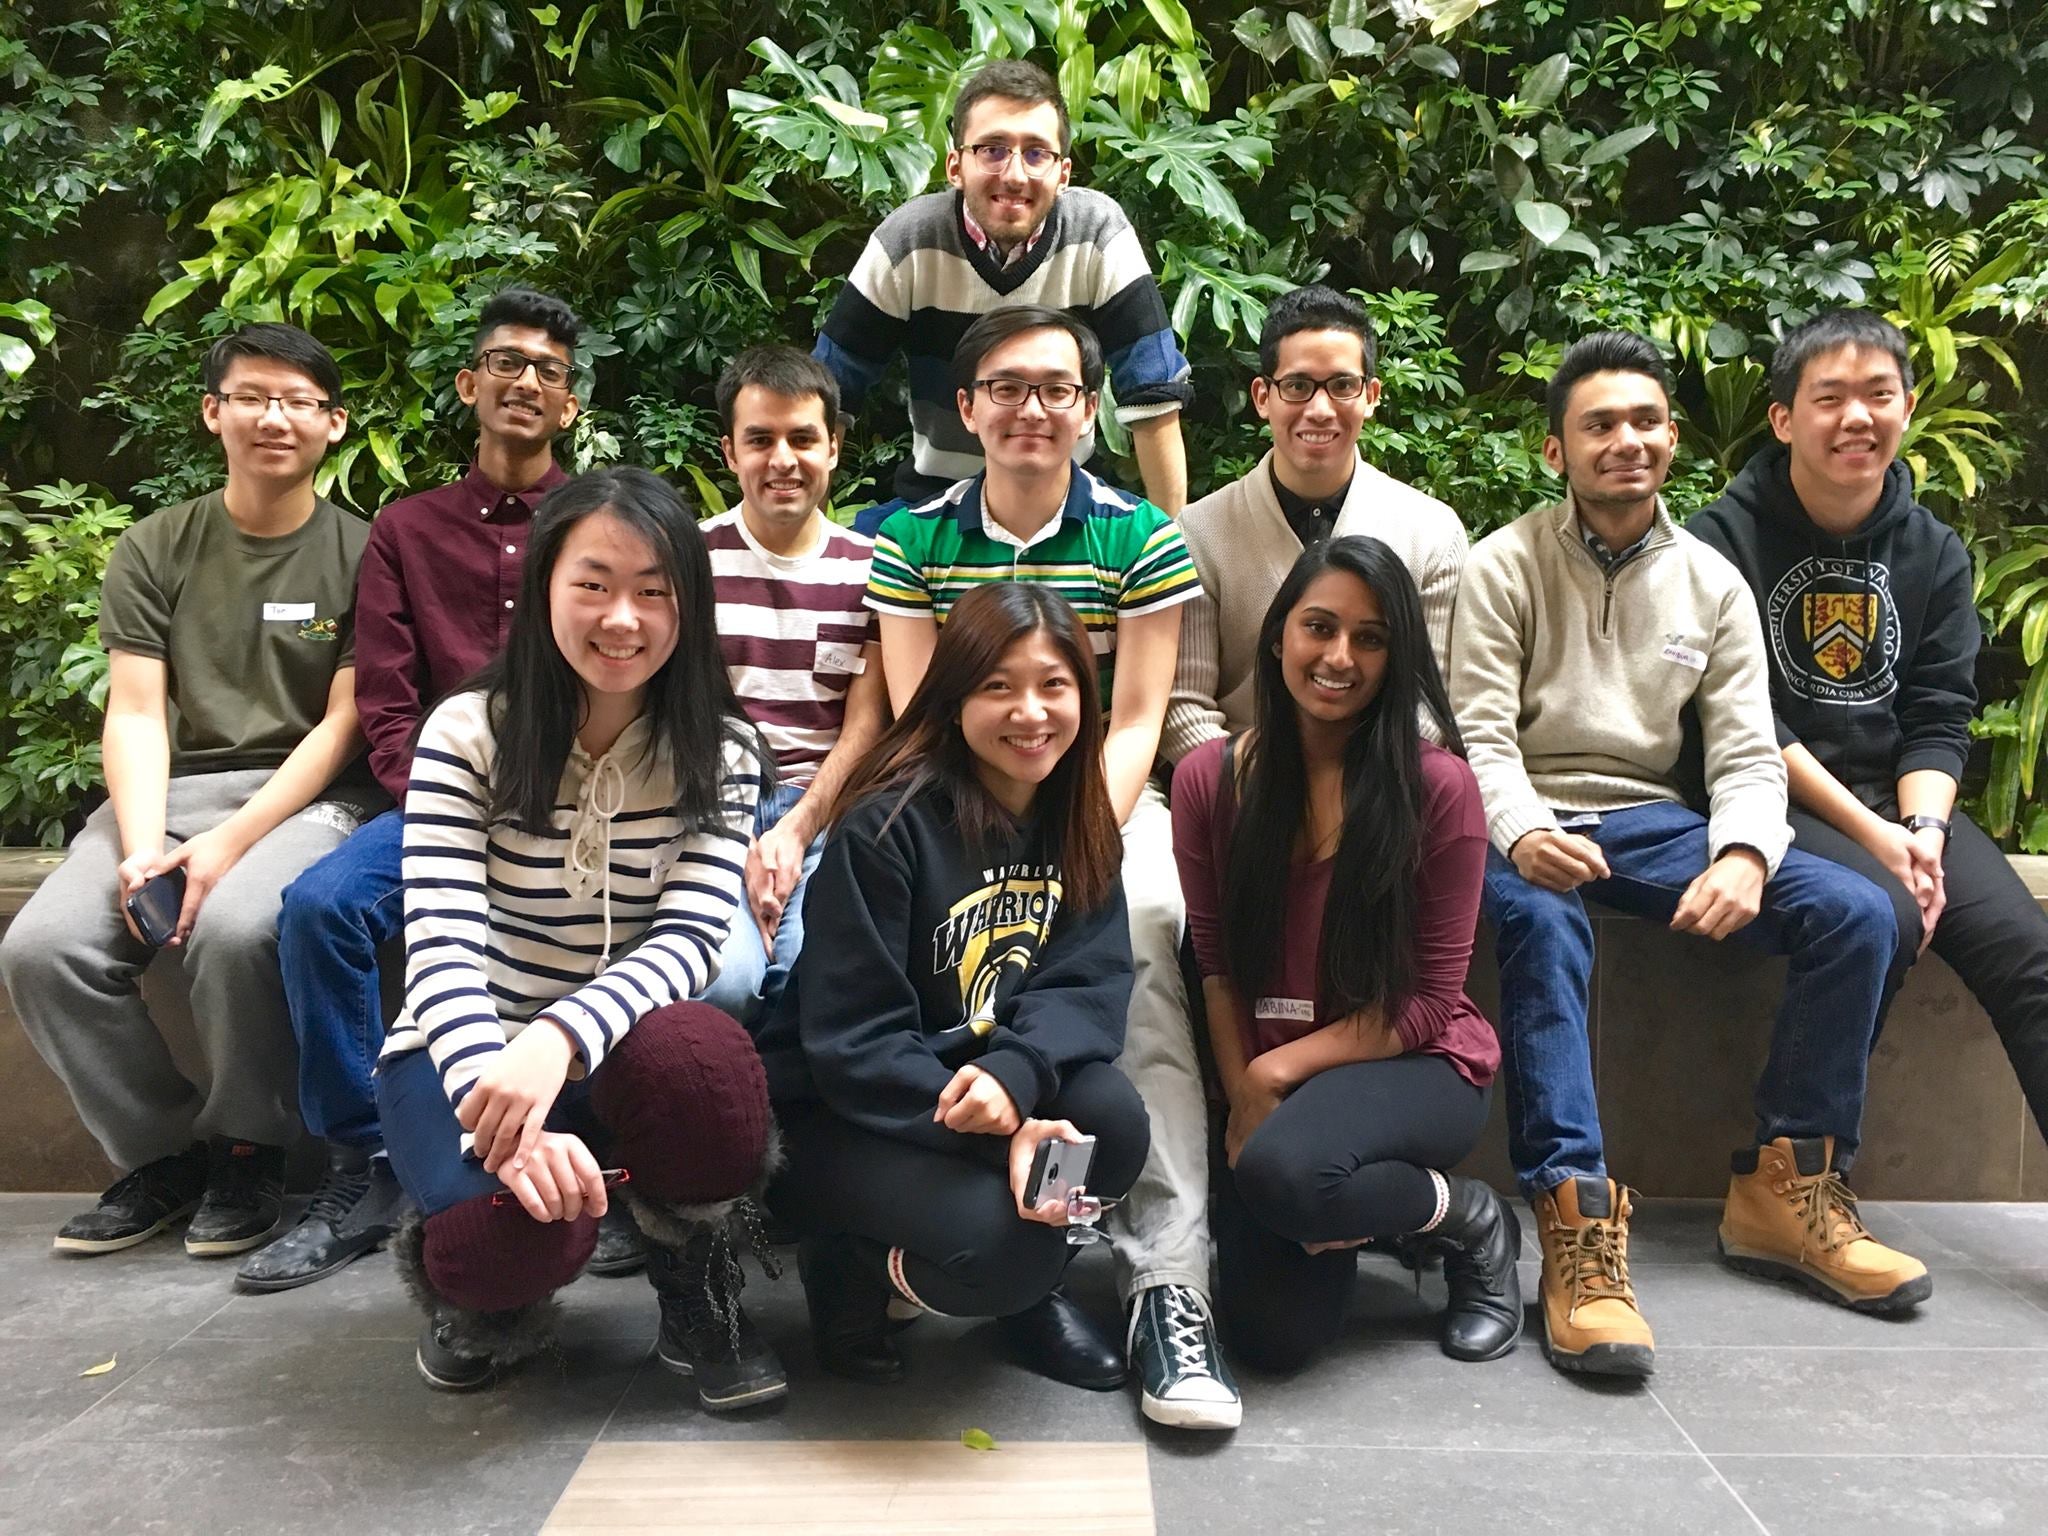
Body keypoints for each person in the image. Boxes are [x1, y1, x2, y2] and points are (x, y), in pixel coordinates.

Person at [1448, 329, 1930, 1381]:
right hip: (1525, 816)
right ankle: (1573, 1228)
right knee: (1534, 917)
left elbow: (1748, 753)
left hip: (1652, 825)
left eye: (1644, 421)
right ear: (1554, 451)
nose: (1626, 441)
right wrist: (1523, 829)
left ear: (1670, 437)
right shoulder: (1502, 565)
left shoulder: (1710, 581)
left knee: (1853, 914)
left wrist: (1747, 855)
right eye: (1598, 425)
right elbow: (1478, 735)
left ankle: (1784, 1188)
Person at [865, 305, 1237, 1429]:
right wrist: (997, 853)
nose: (1032, 409)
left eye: (1057, 390)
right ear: (966, 408)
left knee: (1140, 946)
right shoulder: (912, 542)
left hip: (1098, 809)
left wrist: (1076, 846)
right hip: (949, 814)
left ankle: (1167, 1286)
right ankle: (976, 1249)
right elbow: (918, 714)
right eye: (1007, 387)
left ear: (1088, 410)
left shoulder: (1139, 537)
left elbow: (1132, 719)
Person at [376, 466, 784, 1409]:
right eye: (593, 585)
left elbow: (688, 938)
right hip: (462, 1041)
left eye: (654, 591)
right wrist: (498, 1098)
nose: (622, 618)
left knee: (709, 1069)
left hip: (613, 1044)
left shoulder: (718, 749)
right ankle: (469, 1302)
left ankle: (695, 1282)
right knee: (501, 1241)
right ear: (543, 589)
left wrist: (557, 1042)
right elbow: (438, 938)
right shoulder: (468, 734)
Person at [0, 323, 374, 1259]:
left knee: (242, 924)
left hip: (301, 797)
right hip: (167, 794)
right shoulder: (157, 546)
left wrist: (230, 842)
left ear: (333, 424)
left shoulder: (369, 552)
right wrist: (138, 848)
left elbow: (343, 725)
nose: (274, 417)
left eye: (298, 401)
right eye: (252, 396)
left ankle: (250, 1146)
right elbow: (133, 712)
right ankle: (167, 1158)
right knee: (44, 948)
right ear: (214, 412)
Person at [239, 287, 586, 1294]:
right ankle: (365, 1160)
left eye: (549, 372)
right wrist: (438, 800)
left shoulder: (595, 520)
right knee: (318, 908)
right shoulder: (406, 529)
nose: (526, 383)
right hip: (434, 807)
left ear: (568, 405)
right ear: (470, 385)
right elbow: (386, 704)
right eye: (507, 364)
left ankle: (607, 1158)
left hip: (584, 803)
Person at [758, 582, 1150, 1390]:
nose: (1030, 713)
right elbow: (854, 1042)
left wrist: (1016, 1076)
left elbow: (1089, 981)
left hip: (982, 1089)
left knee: (1113, 1122)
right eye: (997, 687)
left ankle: (1032, 1284)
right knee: (1002, 1249)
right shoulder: (887, 824)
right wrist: (1005, 1133)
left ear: (1086, 693)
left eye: (1053, 685)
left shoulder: (1078, 818)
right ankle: (853, 1262)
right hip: (851, 1113)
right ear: (954, 697)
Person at [1691, 309, 2048, 1141]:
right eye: (1832, 398)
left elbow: (1937, 713)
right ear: (1784, 419)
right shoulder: (1718, 543)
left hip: (1903, 801)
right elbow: (1740, 719)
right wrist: (1885, 845)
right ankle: (1792, 1171)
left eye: (1879, 395)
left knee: (2029, 955)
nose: (1859, 417)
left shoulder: (1934, 551)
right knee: (1878, 911)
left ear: (1909, 407)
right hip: (1772, 794)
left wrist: (1922, 829)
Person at [1172, 536, 1519, 1373]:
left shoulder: (1438, 789)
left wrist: (1269, 1078)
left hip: (1414, 1061)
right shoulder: (1210, 780)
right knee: (1271, 1338)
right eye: (1318, 627)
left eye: (1370, 638)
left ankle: (1467, 1217)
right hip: (1277, 1075)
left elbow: (1430, 1002)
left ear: (1399, 656)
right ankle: (1340, 1197)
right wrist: (1239, 1095)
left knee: (1295, 1177)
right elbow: (1216, 963)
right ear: (1277, 636)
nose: (1339, 657)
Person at [814, 58, 1192, 520]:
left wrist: (1169, 554)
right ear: (955, 165)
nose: (1015, 173)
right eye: (993, 149)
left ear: (1063, 172)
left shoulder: (1097, 233)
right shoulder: (908, 241)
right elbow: (825, 398)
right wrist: (812, 561)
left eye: (1036, 152)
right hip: (934, 506)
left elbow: (1153, 397)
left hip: (1067, 503)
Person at [1164, 284, 1466, 764]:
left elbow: (1430, 702)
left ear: (1370, 396)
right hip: (1240, 784)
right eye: (1298, 386)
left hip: (1379, 789)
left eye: (1342, 386)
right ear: (1263, 396)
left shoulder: (1430, 534)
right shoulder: (1199, 534)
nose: (1320, 409)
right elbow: (1182, 706)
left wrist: (1351, 787)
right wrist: (1262, 784)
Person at [697, 346, 888, 1027]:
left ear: (834, 448)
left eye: (802, 438)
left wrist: (796, 832)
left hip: (828, 810)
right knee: (727, 982)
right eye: (760, 440)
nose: (783, 459)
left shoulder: (874, 571)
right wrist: (738, 838)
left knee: (815, 977)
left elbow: (866, 726)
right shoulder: (689, 562)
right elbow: (678, 719)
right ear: (729, 452)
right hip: (708, 806)